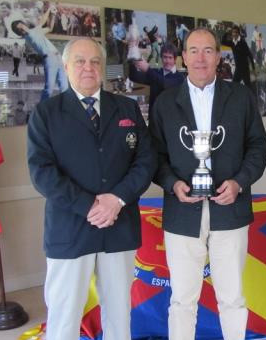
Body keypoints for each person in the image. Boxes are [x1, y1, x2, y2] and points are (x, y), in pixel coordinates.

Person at [27, 38, 156, 340]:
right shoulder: (47, 113)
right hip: (69, 228)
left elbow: (146, 160)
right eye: (80, 61)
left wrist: (117, 200)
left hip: (119, 225)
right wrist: (90, 206)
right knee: (64, 314)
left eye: (95, 61)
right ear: (66, 66)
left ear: (103, 67)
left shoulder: (127, 108)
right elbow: (42, 172)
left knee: (118, 313)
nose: (88, 68)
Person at [148, 28, 266, 340]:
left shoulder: (241, 96)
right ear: (183, 57)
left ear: (218, 56)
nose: (200, 57)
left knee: (232, 297)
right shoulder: (164, 102)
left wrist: (240, 183)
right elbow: (153, 156)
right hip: (182, 212)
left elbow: (259, 147)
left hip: (230, 210)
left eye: (208, 50)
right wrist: (172, 183)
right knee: (182, 299)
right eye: (193, 50)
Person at [11, 15, 68, 100]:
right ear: (20, 31)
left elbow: (50, 28)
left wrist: (53, 15)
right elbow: (42, 21)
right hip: (50, 59)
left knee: (64, 87)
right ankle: (41, 109)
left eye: (22, 25)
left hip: (58, 57)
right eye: (21, 27)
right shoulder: (30, 35)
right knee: (49, 89)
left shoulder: (35, 32)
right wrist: (49, 10)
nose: (23, 27)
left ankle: (66, 108)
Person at [128, 43, 185, 110]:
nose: (167, 61)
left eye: (170, 57)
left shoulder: (180, 77)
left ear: (175, 59)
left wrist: (147, 69)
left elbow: (165, 84)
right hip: (154, 117)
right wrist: (132, 59)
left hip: (170, 118)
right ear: (161, 58)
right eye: (165, 57)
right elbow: (134, 77)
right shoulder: (155, 73)